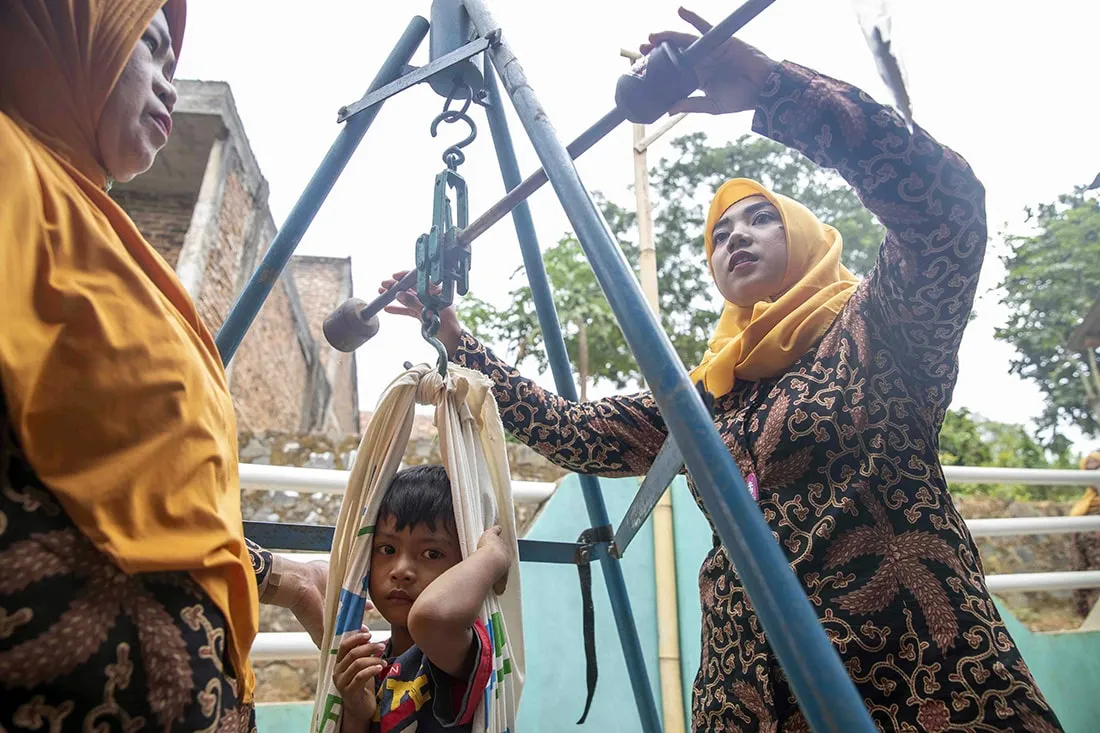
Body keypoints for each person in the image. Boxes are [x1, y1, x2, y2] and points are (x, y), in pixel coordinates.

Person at [379, 7, 1064, 731]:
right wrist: (453, 335)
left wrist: (776, 90)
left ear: (801, 234)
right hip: (746, 706)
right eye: (718, 236)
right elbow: (571, 431)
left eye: (758, 218)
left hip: (919, 693)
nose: (734, 235)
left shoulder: (880, 328)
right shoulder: (705, 396)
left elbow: (948, 210)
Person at [0, 2, 325, 729]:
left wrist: (289, 576)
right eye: (149, 47)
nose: (170, 85)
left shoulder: (96, 232)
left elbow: (145, 499)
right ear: (67, 38)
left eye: (175, 64)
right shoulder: (13, 176)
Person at [332, 465, 509, 732]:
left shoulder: (459, 648)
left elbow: (430, 618)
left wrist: (492, 557)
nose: (401, 570)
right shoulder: (370, 664)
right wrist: (357, 711)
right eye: (387, 549)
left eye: (432, 554)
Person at [1070, 451, 1100, 619]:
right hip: (1096, 594)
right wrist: (1081, 604)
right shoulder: (1081, 512)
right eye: (1089, 471)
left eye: (1098, 469)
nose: (1095, 475)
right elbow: (1077, 562)